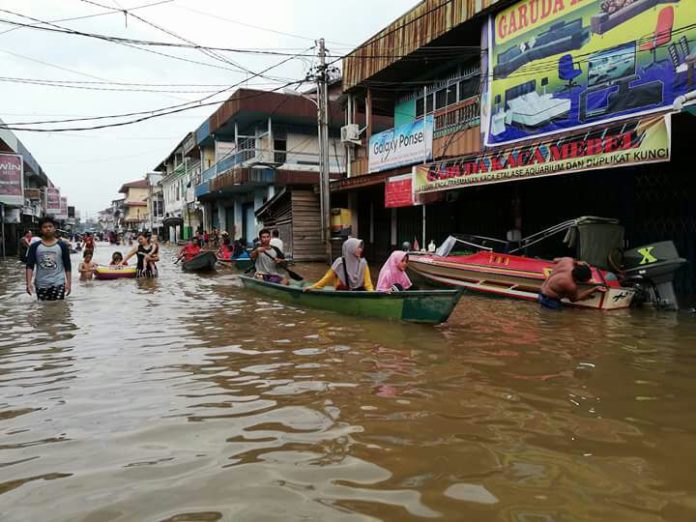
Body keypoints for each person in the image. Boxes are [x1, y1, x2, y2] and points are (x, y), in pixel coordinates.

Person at [25, 216, 72, 300]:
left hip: (59, 283)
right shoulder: (34, 246)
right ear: (40, 230)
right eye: (45, 227)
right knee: (43, 309)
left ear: (54, 228)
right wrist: (28, 283)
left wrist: (69, 283)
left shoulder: (62, 246)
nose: (48, 229)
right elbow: (29, 266)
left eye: (50, 226)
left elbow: (67, 266)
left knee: (59, 308)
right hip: (41, 284)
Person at [306, 237, 373, 291]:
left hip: (358, 291)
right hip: (343, 291)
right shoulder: (340, 262)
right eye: (358, 247)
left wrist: (372, 293)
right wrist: (313, 287)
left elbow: (368, 283)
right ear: (350, 248)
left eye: (361, 247)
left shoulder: (363, 263)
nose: (360, 249)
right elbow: (327, 278)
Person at [538, 257, 606, 310]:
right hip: (550, 300)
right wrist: (594, 289)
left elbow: (554, 260)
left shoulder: (568, 260)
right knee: (554, 322)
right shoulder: (570, 284)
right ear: (577, 280)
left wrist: (576, 262)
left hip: (541, 292)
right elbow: (574, 299)